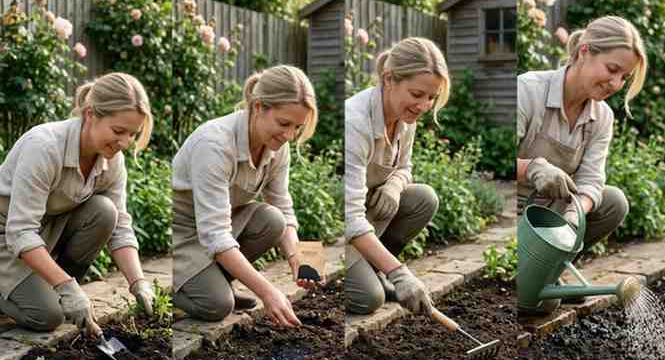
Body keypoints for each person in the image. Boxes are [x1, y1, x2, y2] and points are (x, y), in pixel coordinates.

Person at [0, 72, 157, 335]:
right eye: (119, 131)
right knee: (49, 316)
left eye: (133, 134)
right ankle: (44, 293)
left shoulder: (111, 160)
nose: (125, 142)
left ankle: (52, 289)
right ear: (89, 114)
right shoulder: (45, 147)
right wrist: (67, 287)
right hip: (7, 236)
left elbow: (119, 226)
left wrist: (138, 282)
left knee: (105, 213)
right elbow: (20, 232)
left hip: (42, 233)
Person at [516, 16, 647, 313]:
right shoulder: (528, 91)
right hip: (513, 214)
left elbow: (591, 180)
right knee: (545, 303)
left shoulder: (602, 117)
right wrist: (531, 168)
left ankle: (547, 269)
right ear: (584, 51)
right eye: (612, 69)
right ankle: (529, 273)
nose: (615, 83)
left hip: (551, 216)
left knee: (614, 202)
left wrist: (575, 215)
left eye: (624, 77)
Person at [172, 65, 318, 327]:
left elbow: (283, 207)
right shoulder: (214, 145)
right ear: (259, 106)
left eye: (297, 127)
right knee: (217, 306)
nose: (289, 135)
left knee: (273, 219)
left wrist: (299, 259)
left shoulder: (277, 145)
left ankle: (213, 284)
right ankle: (182, 289)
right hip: (184, 233)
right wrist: (267, 291)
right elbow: (215, 235)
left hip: (218, 226)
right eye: (284, 123)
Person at [343, 37, 450, 316]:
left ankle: (372, 267)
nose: (424, 105)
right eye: (417, 94)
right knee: (368, 300)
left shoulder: (405, 117)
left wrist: (393, 185)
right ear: (389, 79)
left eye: (431, 97)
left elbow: (405, 167)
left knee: (424, 198)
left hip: (369, 216)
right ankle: (353, 273)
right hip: (342, 226)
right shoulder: (355, 121)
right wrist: (400, 274)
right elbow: (351, 217)